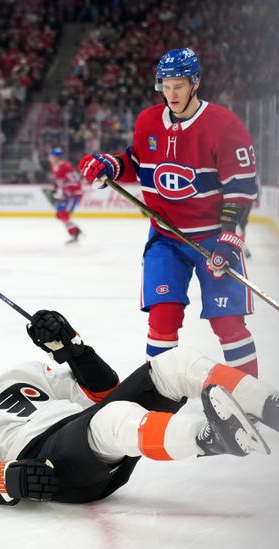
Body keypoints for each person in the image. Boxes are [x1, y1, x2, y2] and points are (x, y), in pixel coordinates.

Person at [0, 310, 279, 506]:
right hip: (52, 466)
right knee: (111, 420)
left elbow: (102, 390)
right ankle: (211, 437)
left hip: (86, 434)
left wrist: (73, 349)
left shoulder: (28, 369)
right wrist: (8, 479)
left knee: (174, 364)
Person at [77, 48, 260, 375]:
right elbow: (137, 163)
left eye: (179, 85)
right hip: (165, 238)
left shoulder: (224, 124)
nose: (171, 93)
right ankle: (158, 401)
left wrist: (229, 238)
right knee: (162, 318)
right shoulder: (148, 120)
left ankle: (252, 399)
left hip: (210, 238)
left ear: (195, 82)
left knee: (228, 323)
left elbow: (241, 187)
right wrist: (111, 166)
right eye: (166, 85)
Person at [48, 147, 84, 244]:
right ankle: (75, 231)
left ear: (56, 158)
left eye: (51, 156)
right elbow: (57, 181)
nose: (49, 158)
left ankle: (75, 233)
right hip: (65, 195)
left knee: (64, 214)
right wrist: (55, 189)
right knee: (59, 215)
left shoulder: (65, 166)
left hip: (73, 195)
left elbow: (75, 180)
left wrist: (66, 189)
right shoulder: (53, 167)